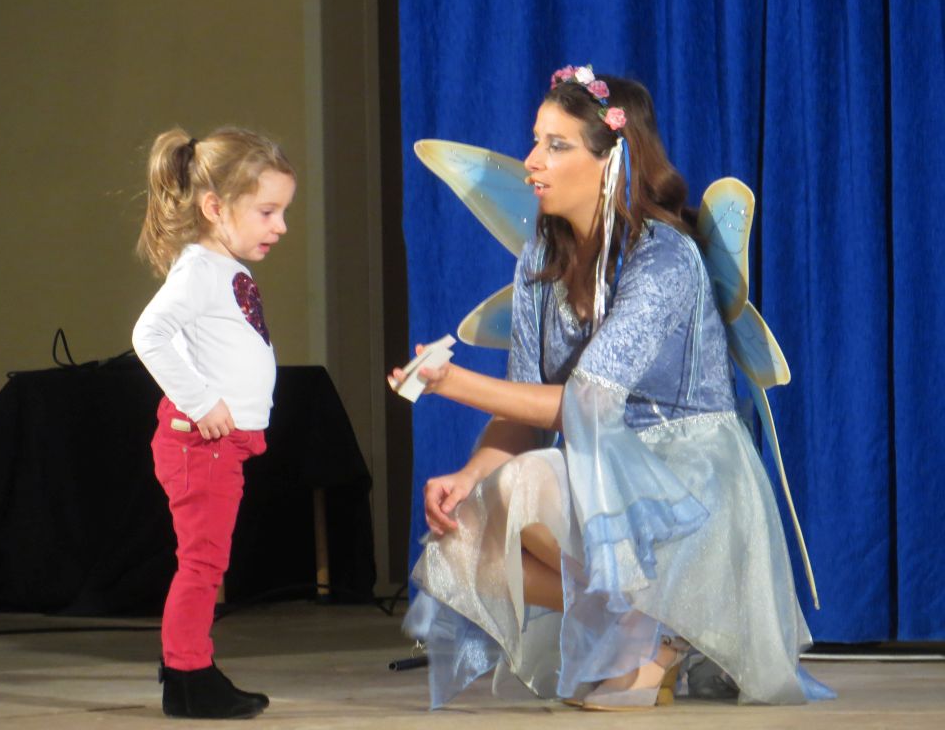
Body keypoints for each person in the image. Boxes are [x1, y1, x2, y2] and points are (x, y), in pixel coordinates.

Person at [394, 66, 832, 710]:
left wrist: (452, 382)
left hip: (684, 481)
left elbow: (583, 404)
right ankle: (659, 627)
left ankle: (661, 636)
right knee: (465, 533)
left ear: (612, 160)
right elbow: (525, 410)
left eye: (556, 145)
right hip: (605, 472)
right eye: (536, 141)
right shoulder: (540, 262)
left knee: (518, 487)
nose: (531, 161)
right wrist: (469, 475)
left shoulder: (663, 257)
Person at [132, 126, 295, 719]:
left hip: (222, 445)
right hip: (200, 443)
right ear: (214, 207)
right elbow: (149, 334)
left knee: (206, 562)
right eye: (267, 212)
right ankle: (188, 675)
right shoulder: (199, 270)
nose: (281, 226)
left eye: (283, 212)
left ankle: (185, 671)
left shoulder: (222, 267)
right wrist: (201, 402)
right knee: (202, 564)